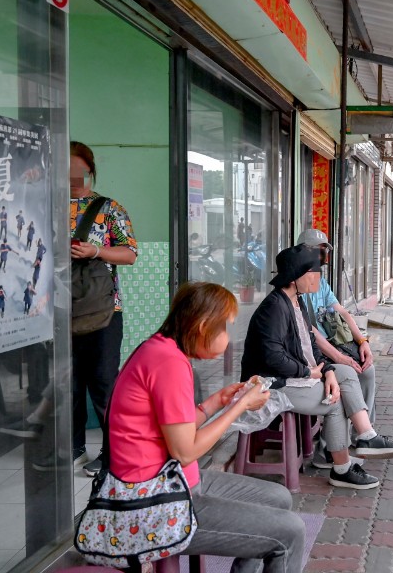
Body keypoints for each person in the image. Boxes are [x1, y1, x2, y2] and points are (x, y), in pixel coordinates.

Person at [108, 282, 305, 572]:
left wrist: (217, 402)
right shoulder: (168, 363)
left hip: (172, 481)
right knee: (291, 532)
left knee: (278, 498)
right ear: (202, 326)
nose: (228, 337)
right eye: (225, 328)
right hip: (153, 502)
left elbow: (176, 430)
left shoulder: (159, 349)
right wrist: (240, 406)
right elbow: (186, 450)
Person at [242, 245, 393, 490]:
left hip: (298, 374)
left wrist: (328, 369)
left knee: (347, 374)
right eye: (314, 272)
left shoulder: (297, 302)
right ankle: (341, 468)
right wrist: (311, 373)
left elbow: (310, 346)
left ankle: (366, 436)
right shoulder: (274, 308)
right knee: (333, 400)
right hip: (271, 383)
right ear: (297, 276)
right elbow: (273, 357)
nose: (319, 277)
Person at [68, 141, 138, 477]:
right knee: (66, 381)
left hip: (104, 311)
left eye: (77, 168)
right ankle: (72, 446)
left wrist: (96, 252)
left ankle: (113, 453)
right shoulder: (43, 206)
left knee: (102, 382)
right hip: (56, 310)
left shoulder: (109, 209)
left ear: (89, 170)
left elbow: (129, 254)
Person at [296, 229, 376, 469]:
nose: (324, 257)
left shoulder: (320, 283)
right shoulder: (297, 286)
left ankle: (363, 437)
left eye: (325, 251)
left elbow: (342, 312)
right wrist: (340, 358)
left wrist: (363, 342)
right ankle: (329, 447)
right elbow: (310, 333)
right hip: (313, 354)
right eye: (320, 251)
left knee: (367, 370)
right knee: (348, 374)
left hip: (333, 344)